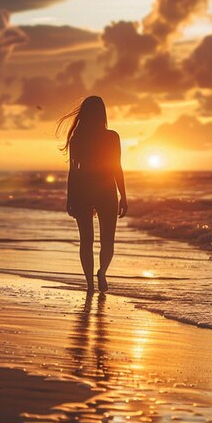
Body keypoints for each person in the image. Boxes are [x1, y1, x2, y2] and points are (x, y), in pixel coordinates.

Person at [57, 96, 127, 292]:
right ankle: (101, 273)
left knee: (86, 241)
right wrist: (123, 195)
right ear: (102, 113)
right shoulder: (111, 137)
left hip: (83, 190)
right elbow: (116, 168)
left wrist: (70, 198)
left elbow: (74, 171)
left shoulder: (78, 138)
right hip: (105, 191)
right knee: (107, 240)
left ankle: (91, 283)